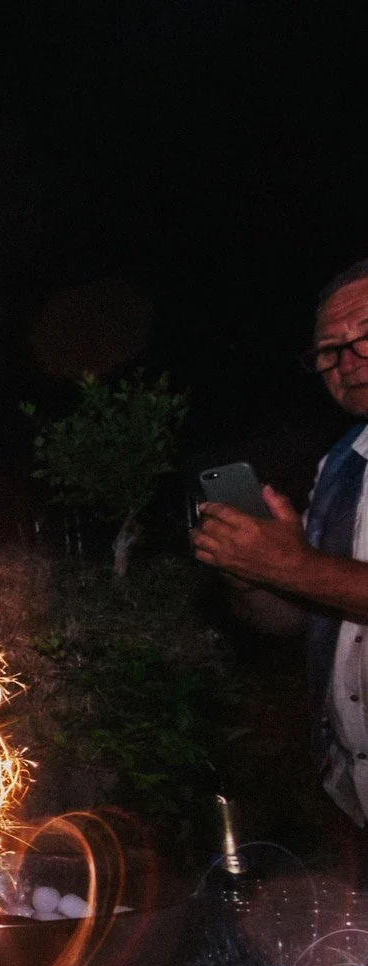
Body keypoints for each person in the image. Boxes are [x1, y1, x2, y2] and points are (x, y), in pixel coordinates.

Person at [192, 259, 368, 829]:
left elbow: (307, 574)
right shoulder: (342, 464)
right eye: (330, 350)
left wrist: (292, 565)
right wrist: (252, 574)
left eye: (366, 335)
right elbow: (295, 619)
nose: (349, 361)